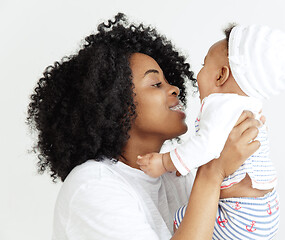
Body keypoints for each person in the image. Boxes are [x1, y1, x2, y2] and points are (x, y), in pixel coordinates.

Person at [26, 13, 264, 240]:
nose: (175, 89)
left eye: (169, 81)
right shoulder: (92, 186)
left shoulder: (176, 178)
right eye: (156, 83)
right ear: (114, 104)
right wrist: (214, 171)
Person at [138, 24, 285, 239]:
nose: (197, 74)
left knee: (181, 220)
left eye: (204, 65)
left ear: (221, 76)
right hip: (264, 210)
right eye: (157, 84)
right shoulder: (249, 106)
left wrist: (165, 162)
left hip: (240, 214)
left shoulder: (222, 105)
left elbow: (206, 146)